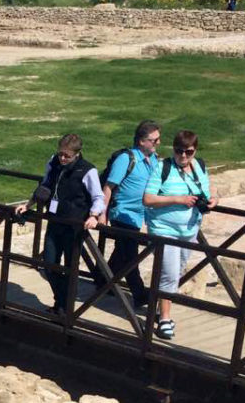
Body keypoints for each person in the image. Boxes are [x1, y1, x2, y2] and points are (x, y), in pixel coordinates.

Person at [17, 133, 106, 315]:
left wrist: (94, 215)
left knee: (69, 268)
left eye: (67, 156)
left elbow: (98, 197)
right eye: (61, 154)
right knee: (50, 265)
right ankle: (62, 302)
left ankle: (63, 307)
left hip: (74, 225)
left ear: (77, 154)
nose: (63, 158)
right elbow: (45, 185)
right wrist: (28, 204)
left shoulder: (88, 170)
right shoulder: (54, 162)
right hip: (55, 220)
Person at [144, 130, 216, 341]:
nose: (183, 156)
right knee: (170, 272)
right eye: (179, 151)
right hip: (164, 230)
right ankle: (165, 319)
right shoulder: (162, 168)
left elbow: (205, 194)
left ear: (195, 151)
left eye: (188, 152)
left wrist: (212, 202)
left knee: (177, 271)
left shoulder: (200, 167)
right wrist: (178, 200)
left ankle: (160, 305)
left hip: (189, 230)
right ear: (173, 149)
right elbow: (148, 199)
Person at [99, 120, 161, 309]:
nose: (158, 143)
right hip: (123, 214)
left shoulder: (154, 159)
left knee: (123, 251)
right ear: (142, 141)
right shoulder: (126, 159)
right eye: (154, 140)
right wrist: (102, 214)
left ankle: (103, 281)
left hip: (140, 214)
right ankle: (140, 295)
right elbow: (108, 187)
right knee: (131, 255)